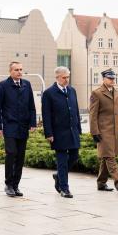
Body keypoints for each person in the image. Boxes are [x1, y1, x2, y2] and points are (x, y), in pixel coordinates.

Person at [0, 61, 37, 197]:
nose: (19, 72)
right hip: (10, 126)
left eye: (21, 69)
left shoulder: (26, 84)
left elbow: (31, 106)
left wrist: (33, 123)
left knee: (20, 157)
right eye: (16, 70)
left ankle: (16, 185)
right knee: (11, 153)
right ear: (10, 71)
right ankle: (8, 184)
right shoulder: (3, 85)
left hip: (23, 127)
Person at [41, 67, 81, 198]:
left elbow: (76, 111)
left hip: (72, 131)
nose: (67, 80)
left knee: (74, 156)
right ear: (57, 77)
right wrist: (49, 133)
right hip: (58, 133)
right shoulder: (49, 93)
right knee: (62, 161)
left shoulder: (72, 91)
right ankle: (64, 188)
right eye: (64, 77)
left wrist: (78, 128)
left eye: (68, 77)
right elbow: (46, 115)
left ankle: (58, 175)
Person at [89, 68, 118, 193]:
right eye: (109, 78)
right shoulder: (97, 93)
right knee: (110, 157)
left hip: (115, 132)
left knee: (106, 157)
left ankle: (101, 183)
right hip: (103, 132)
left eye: (113, 78)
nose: (112, 80)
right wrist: (94, 132)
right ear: (103, 79)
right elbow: (92, 115)